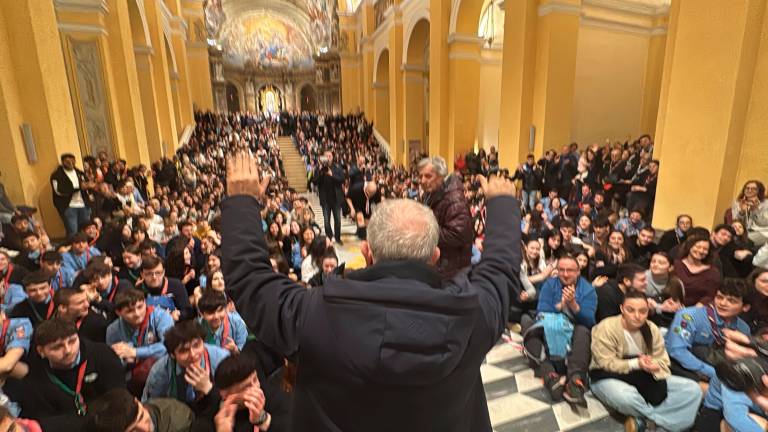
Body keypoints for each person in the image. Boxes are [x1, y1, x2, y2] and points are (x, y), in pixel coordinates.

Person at [222, 151, 520, 431]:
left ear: (367, 251)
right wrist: (504, 204)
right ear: (434, 257)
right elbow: (501, 270)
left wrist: (241, 202)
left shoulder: (314, 314)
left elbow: (250, 280)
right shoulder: (472, 316)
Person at [590, 291, 702, 431]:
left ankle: (648, 421)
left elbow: (662, 358)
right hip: (606, 376)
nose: (637, 316)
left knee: (693, 390)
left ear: (648, 311)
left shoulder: (651, 329)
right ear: (622, 309)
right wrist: (636, 363)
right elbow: (605, 362)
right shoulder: (606, 328)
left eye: (642, 311)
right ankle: (659, 421)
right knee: (626, 397)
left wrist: (654, 365)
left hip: (643, 376)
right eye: (631, 310)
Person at [6, 318, 124, 430]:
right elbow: (43, 423)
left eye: (72, 341)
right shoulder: (35, 376)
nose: (68, 350)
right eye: (57, 347)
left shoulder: (103, 355)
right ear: (41, 352)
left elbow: (120, 403)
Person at [524, 254, 597, 406]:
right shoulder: (550, 285)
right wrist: (562, 304)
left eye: (570, 270)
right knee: (529, 326)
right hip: (549, 328)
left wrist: (574, 305)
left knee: (583, 331)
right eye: (561, 270)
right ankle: (550, 375)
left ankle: (575, 380)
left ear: (578, 271)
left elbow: (590, 321)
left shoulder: (588, 290)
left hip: (574, 332)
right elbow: (541, 311)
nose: (565, 274)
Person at [664, 279, 751, 384]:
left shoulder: (743, 329)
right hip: (677, 365)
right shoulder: (688, 316)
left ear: (745, 307)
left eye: (731, 301)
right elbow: (677, 351)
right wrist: (713, 373)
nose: (723, 303)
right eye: (719, 297)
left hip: (718, 371)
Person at [141, 320, 230, 414]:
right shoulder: (160, 370)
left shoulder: (222, 359)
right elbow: (151, 407)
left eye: (196, 345)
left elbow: (232, 400)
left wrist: (209, 389)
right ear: (172, 355)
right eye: (184, 350)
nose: (193, 354)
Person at [418, 156, 474, 279]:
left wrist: (423, 233)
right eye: (420, 176)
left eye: (428, 176)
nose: (422, 180)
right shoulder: (431, 194)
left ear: (441, 176)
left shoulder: (454, 199)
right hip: (439, 266)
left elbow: (458, 234)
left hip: (452, 271)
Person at [83, 387, 194, 432]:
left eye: (141, 416)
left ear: (138, 401)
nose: (145, 428)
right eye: (134, 431)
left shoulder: (180, 423)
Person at [136, 256, 192, 321]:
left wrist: (179, 314)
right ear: (142, 274)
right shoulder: (138, 289)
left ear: (163, 272)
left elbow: (188, 311)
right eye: (149, 274)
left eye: (158, 273)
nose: (154, 277)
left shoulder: (176, 285)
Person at [50, 154, 93, 237]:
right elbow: (58, 191)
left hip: (83, 204)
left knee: (86, 229)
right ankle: (74, 248)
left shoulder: (79, 172)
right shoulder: (57, 175)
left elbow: (87, 185)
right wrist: (79, 188)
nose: (71, 163)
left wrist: (90, 190)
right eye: (67, 161)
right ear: (62, 162)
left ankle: (87, 246)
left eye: (73, 161)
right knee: (73, 231)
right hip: (69, 206)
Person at [674, 234, 721, 306]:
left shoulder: (713, 272)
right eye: (698, 247)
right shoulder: (676, 265)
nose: (701, 251)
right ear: (690, 246)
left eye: (705, 249)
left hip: (696, 312)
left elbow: (710, 296)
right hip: (670, 306)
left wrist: (693, 311)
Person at [645, 252, 685, 329]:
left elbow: (677, 306)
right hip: (647, 320)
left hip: (668, 321)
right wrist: (659, 307)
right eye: (653, 261)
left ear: (670, 268)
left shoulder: (676, 282)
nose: (655, 264)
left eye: (661, 263)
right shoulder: (642, 278)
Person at [313, 150, 345, 245]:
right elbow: (314, 182)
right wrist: (322, 172)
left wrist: (332, 175)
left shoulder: (338, 168)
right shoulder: (319, 169)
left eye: (330, 156)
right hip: (325, 199)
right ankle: (329, 237)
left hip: (336, 199)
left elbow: (342, 180)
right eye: (326, 156)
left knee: (338, 220)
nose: (328, 157)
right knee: (326, 221)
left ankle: (338, 238)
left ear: (332, 157)